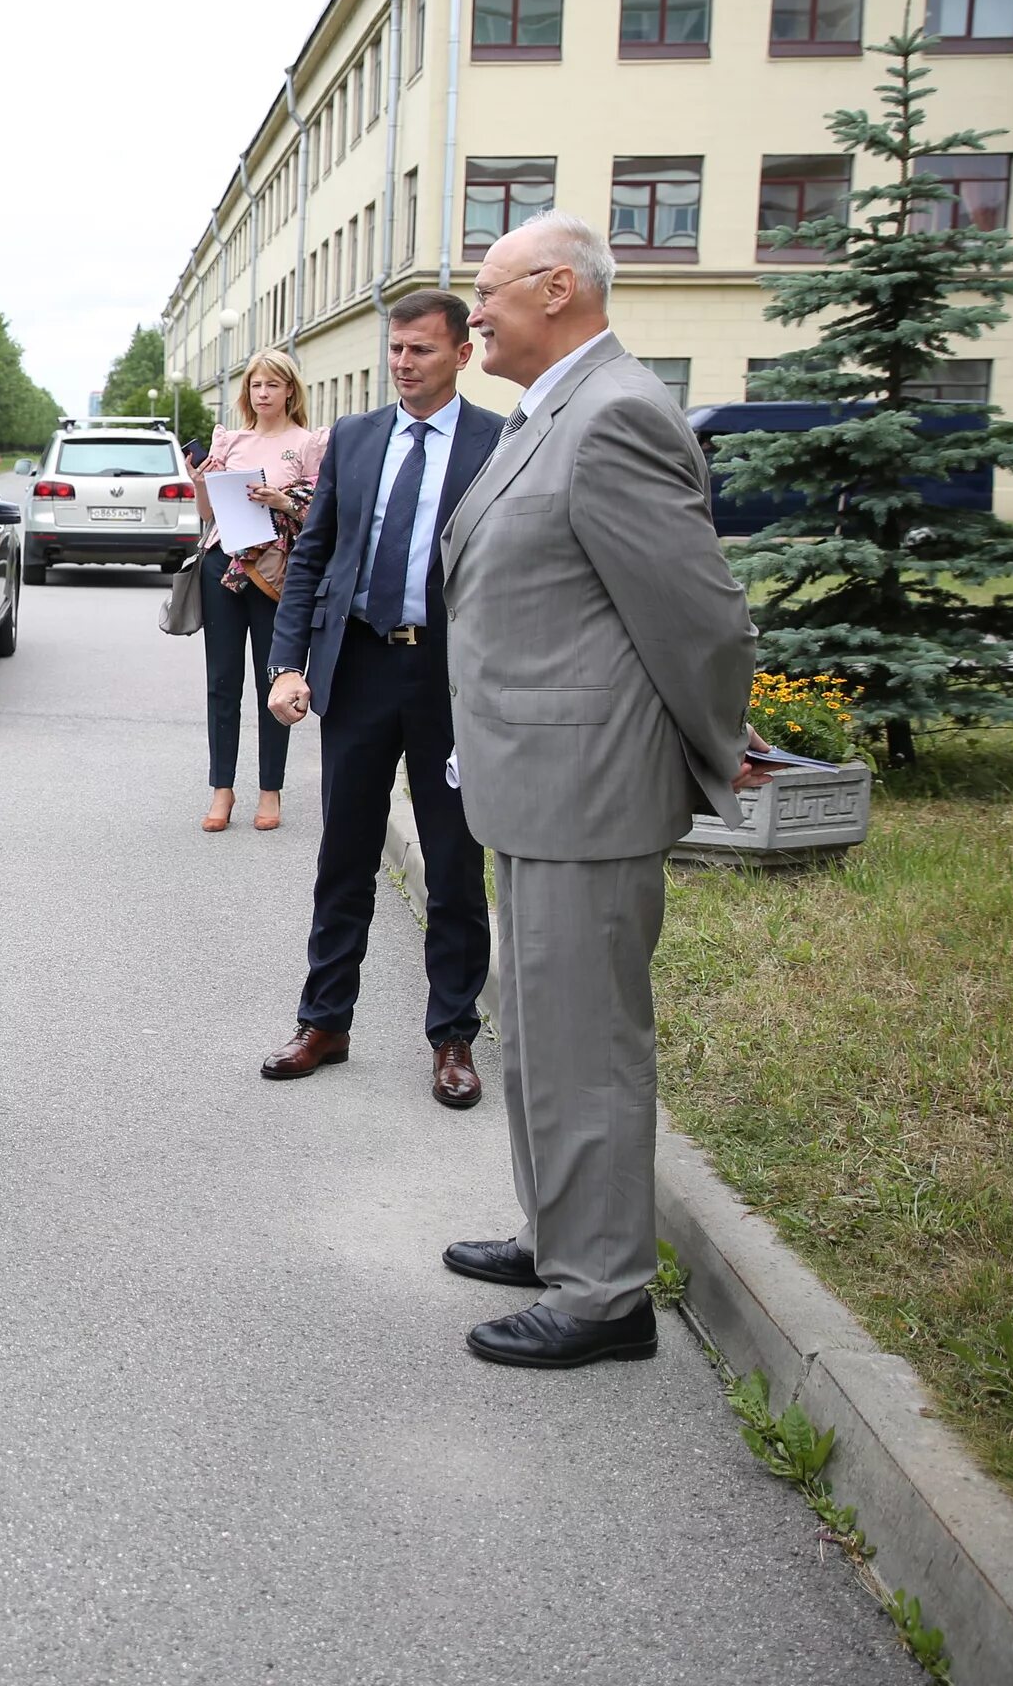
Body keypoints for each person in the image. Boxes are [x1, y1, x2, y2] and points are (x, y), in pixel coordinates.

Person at [435, 210, 762, 1370]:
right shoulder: (552, 408)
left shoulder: (617, 412)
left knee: (588, 1043)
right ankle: (563, 1233)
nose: (474, 314)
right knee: (536, 1032)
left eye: (491, 291)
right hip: (533, 785)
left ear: (558, 289)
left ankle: (605, 1293)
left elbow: (700, 617)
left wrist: (718, 748)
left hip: (588, 789)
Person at [260, 292, 503, 1108]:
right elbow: (314, 556)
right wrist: (287, 664)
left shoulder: (495, 445)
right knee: (345, 854)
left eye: (421, 351)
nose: (404, 364)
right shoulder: (357, 440)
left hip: (446, 678)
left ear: (461, 354)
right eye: (396, 349)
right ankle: (324, 1021)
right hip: (359, 670)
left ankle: (453, 1037)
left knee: (454, 864)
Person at [193, 352, 317, 833]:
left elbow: (321, 516)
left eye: (272, 384)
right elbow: (208, 516)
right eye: (255, 385)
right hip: (224, 566)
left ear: (290, 390)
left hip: (276, 576)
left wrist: (281, 500)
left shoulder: (307, 444)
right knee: (222, 682)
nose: (262, 393)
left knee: (276, 683)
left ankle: (271, 789)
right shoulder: (232, 441)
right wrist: (200, 482)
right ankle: (221, 788)